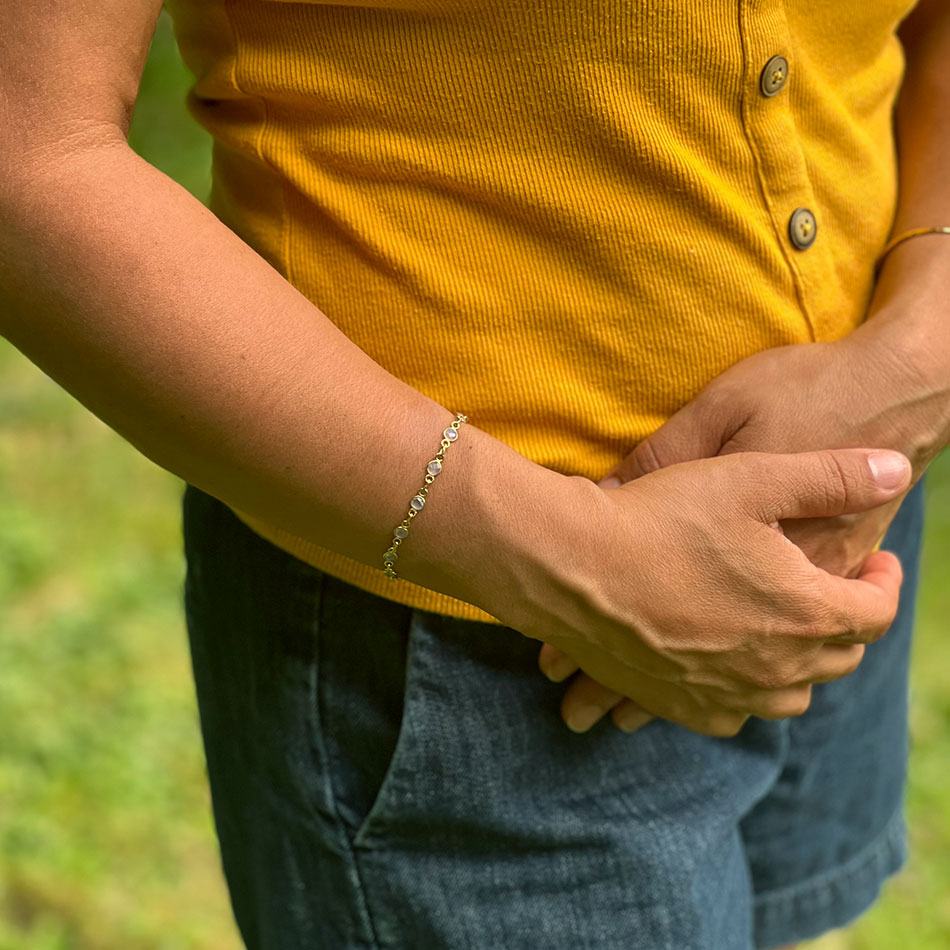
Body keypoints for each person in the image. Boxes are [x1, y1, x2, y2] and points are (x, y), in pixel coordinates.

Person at [1, 0, 947, 947]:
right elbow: (27, 152)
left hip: (852, 536)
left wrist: (918, 359)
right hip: (462, 637)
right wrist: (584, 561)